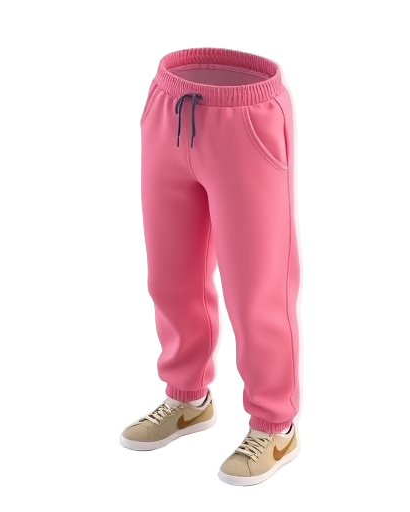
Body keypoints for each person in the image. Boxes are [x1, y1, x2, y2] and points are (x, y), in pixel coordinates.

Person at [117, 43, 306, 489]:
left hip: (250, 119)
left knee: (256, 284)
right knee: (170, 275)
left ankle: (275, 427)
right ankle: (187, 399)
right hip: (167, 104)